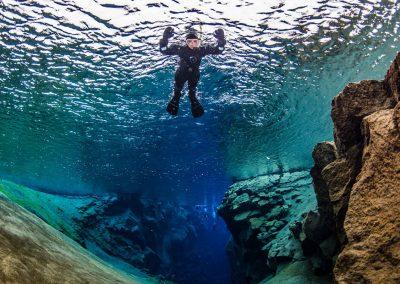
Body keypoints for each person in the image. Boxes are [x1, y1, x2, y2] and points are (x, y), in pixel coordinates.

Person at [159, 27, 226, 117]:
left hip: (194, 75)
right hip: (181, 74)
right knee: (177, 92)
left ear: (199, 42)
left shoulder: (202, 50)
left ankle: (192, 98)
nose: (192, 44)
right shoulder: (181, 49)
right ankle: (176, 97)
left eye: (195, 41)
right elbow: (164, 51)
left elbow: (219, 51)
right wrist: (165, 39)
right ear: (185, 42)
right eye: (189, 41)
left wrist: (221, 40)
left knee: (192, 93)